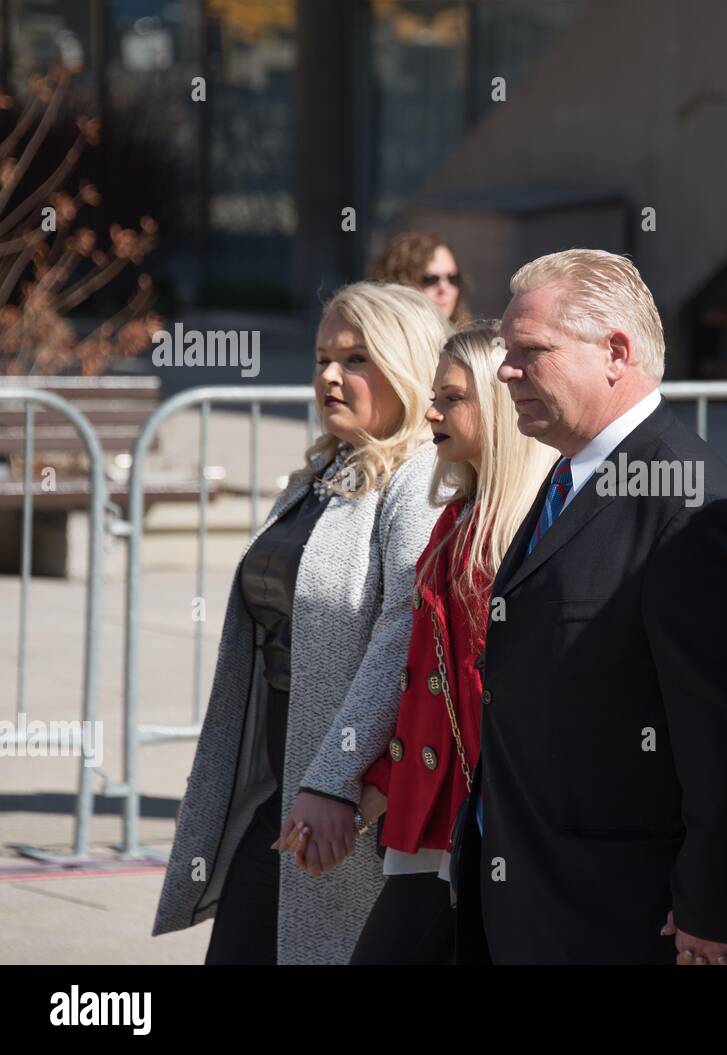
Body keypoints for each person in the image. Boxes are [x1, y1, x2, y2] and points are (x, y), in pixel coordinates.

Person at [451, 249, 727, 965]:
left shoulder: (691, 507)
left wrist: (716, 909)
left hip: (625, 920)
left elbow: (723, 741)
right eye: (506, 352)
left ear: (616, 353)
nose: (506, 371)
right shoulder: (573, 471)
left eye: (530, 351)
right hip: (531, 900)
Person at [152, 282, 450, 964]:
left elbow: (405, 631)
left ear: (407, 366)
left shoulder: (420, 475)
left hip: (349, 795)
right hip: (286, 784)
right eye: (321, 358)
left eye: (355, 359)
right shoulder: (327, 468)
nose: (329, 376)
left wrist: (338, 778)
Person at [334, 322, 551, 964]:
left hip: (493, 829)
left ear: (497, 406)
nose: (430, 411)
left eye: (451, 398)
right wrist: (381, 779)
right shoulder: (460, 518)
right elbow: (429, 679)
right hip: (435, 819)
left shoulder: (527, 531)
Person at [371, 231, 471, 325]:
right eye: (430, 279)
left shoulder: (465, 340)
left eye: (453, 278)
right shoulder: (378, 339)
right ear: (401, 284)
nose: (444, 288)